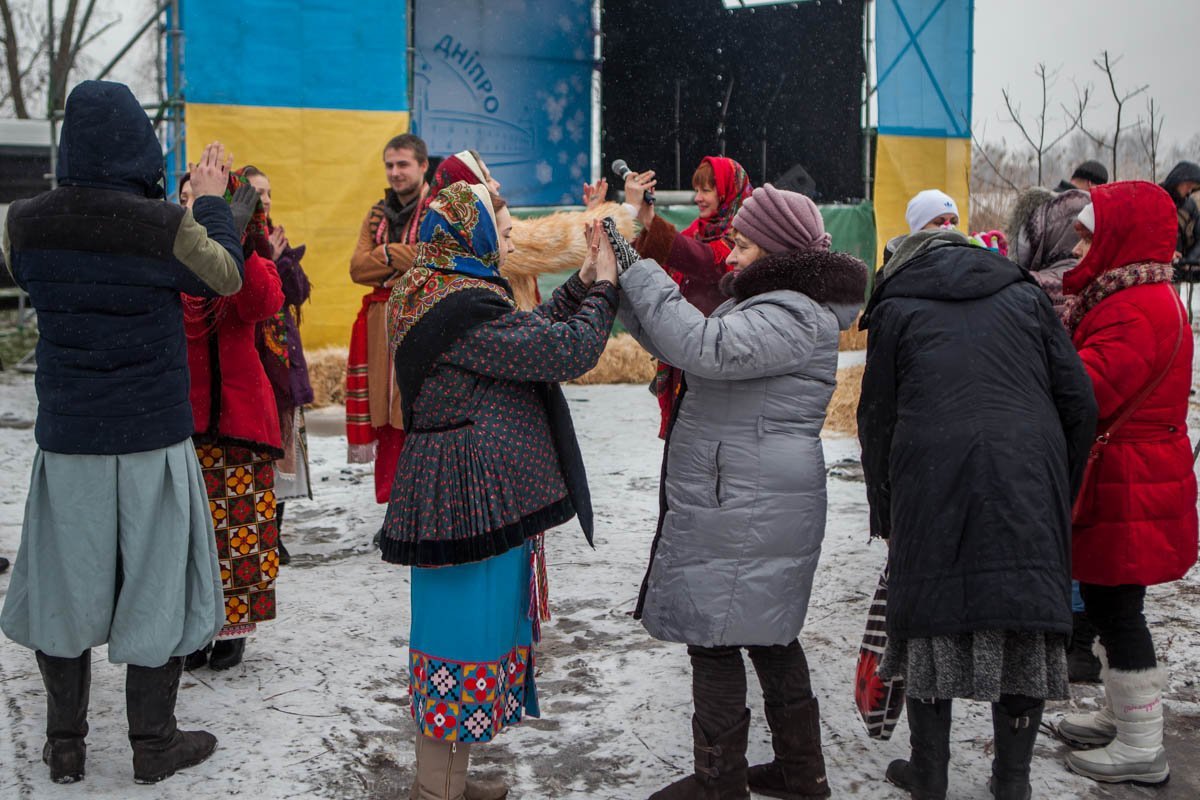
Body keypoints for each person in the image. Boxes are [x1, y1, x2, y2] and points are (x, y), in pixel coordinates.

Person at [0, 81, 244, 784]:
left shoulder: (24, 222)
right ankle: (153, 743)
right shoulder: (161, 225)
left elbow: (24, 270)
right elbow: (224, 277)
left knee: (63, 589)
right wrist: (209, 202)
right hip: (150, 439)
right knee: (157, 585)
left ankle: (66, 742)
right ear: (138, 142)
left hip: (70, 437)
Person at [618, 185, 868, 799]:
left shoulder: (791, 313)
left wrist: (641, 269)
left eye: (746, 243)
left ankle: (718, 783)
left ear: (779, 250)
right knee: (768, 634)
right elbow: (689, 347)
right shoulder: (780, 306)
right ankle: (800, 773)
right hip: (751, 494)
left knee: (715, 638)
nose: (731, 252)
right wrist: (627, 289)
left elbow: (700, 346)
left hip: (747, 500)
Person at [379, 181, 619, 800]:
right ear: (471, 232)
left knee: (468, 634)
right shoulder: (456, 307)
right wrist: (607, 287)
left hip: (466, 493)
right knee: (456, 636)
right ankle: (436, 790)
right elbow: (564, 350)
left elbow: (525, 333)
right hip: (467, 499)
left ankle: (450, 783)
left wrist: (582, 281)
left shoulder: (443, 291)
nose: (509, 238)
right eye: (503, 228)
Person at [858, 229, 1097, 800]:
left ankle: (929, 775)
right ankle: (1012, 781)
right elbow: (1080, 404)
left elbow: (876, 421)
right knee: (1021, 620)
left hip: (929, 476)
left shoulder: (895, 306)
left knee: (929, 623)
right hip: (1026, 476)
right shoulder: (1025, 294)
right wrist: (1054, 489)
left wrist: (888, 514)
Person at [1055, 181, 1198, 786]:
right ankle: (1123, 717)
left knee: (1118, 608)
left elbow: (1088, 391)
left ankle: (1142, 744)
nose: (1079, 245)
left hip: (1130, 479)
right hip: (1125, 477)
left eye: (1089, 234)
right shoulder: (1122, 297)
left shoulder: (1135, 307)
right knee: (1113, 599)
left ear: (1119, 237)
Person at [180, 169, 285, 672]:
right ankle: (192, 625)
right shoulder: (169, 258)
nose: (193, 208)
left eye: (203, 202)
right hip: (182, 418)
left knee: (237, 528)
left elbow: (262, 303)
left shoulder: (255, 259)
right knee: (188, 533)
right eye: (187, 200)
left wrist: (235, 244)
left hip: (239, 416)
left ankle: (232, 626)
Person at [1005, 185, 1102, 683]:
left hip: (1046, 426)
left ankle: (1063, 634)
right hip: (1082, 428)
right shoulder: (1099, 285)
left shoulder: (1033, 288)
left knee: (1056, 530)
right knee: (1074, 532)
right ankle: (1076, 632)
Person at [622, 156, 753, 435]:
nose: (698, 198)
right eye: (697, 190)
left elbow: (708, 261)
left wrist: (650, 220)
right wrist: (625, 217)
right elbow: (650, 260)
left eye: (706, 190)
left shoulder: (745, 239)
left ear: (728, 192)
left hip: (718, 358)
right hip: (686, 355)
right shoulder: (695, 232)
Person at [348, 133, 430, 505]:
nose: (395, 173)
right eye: (390, 165)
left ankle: (422, 505)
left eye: (403, 164)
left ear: (423, 165)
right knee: (386, 417)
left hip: (423, 318)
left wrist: (383, 254)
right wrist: (400, 256)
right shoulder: (377, 212)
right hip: (382, 325)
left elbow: (431, 258)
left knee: (417, 412)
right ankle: (397, 508)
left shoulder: (437, 209)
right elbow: (356, 269)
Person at [243, 165, 315, 567]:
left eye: (268, 192)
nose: (265, 200)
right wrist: (265, 257)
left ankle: (275, 532)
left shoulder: (275, 235)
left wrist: (283, 259)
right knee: (258, 448)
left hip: (283, 359)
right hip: (254, 358)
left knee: (286, 448)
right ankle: (254, 528)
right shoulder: (234, 239)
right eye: (256, 193)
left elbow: (297, 294)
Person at [1160, 161, 1200, 269]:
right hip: (1158, 268)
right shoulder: (1157, 198)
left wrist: (1188, 260)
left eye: (1193, 188)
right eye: (1188, 186)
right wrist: (1166, 253)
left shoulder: (1190, 206)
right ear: (1177, 181)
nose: (1189, 191)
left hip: (1182, 268)